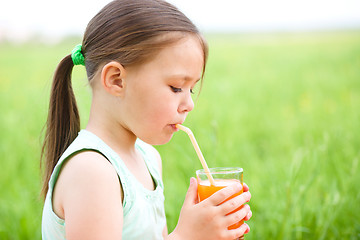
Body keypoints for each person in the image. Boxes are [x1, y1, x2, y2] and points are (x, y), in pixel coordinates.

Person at [40, 0, 252, 239]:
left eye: (191, 89)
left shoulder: (148, 158)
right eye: (175, 87)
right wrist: (185, 236)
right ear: (116, 80)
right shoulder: (92, 171)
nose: (189, 104)